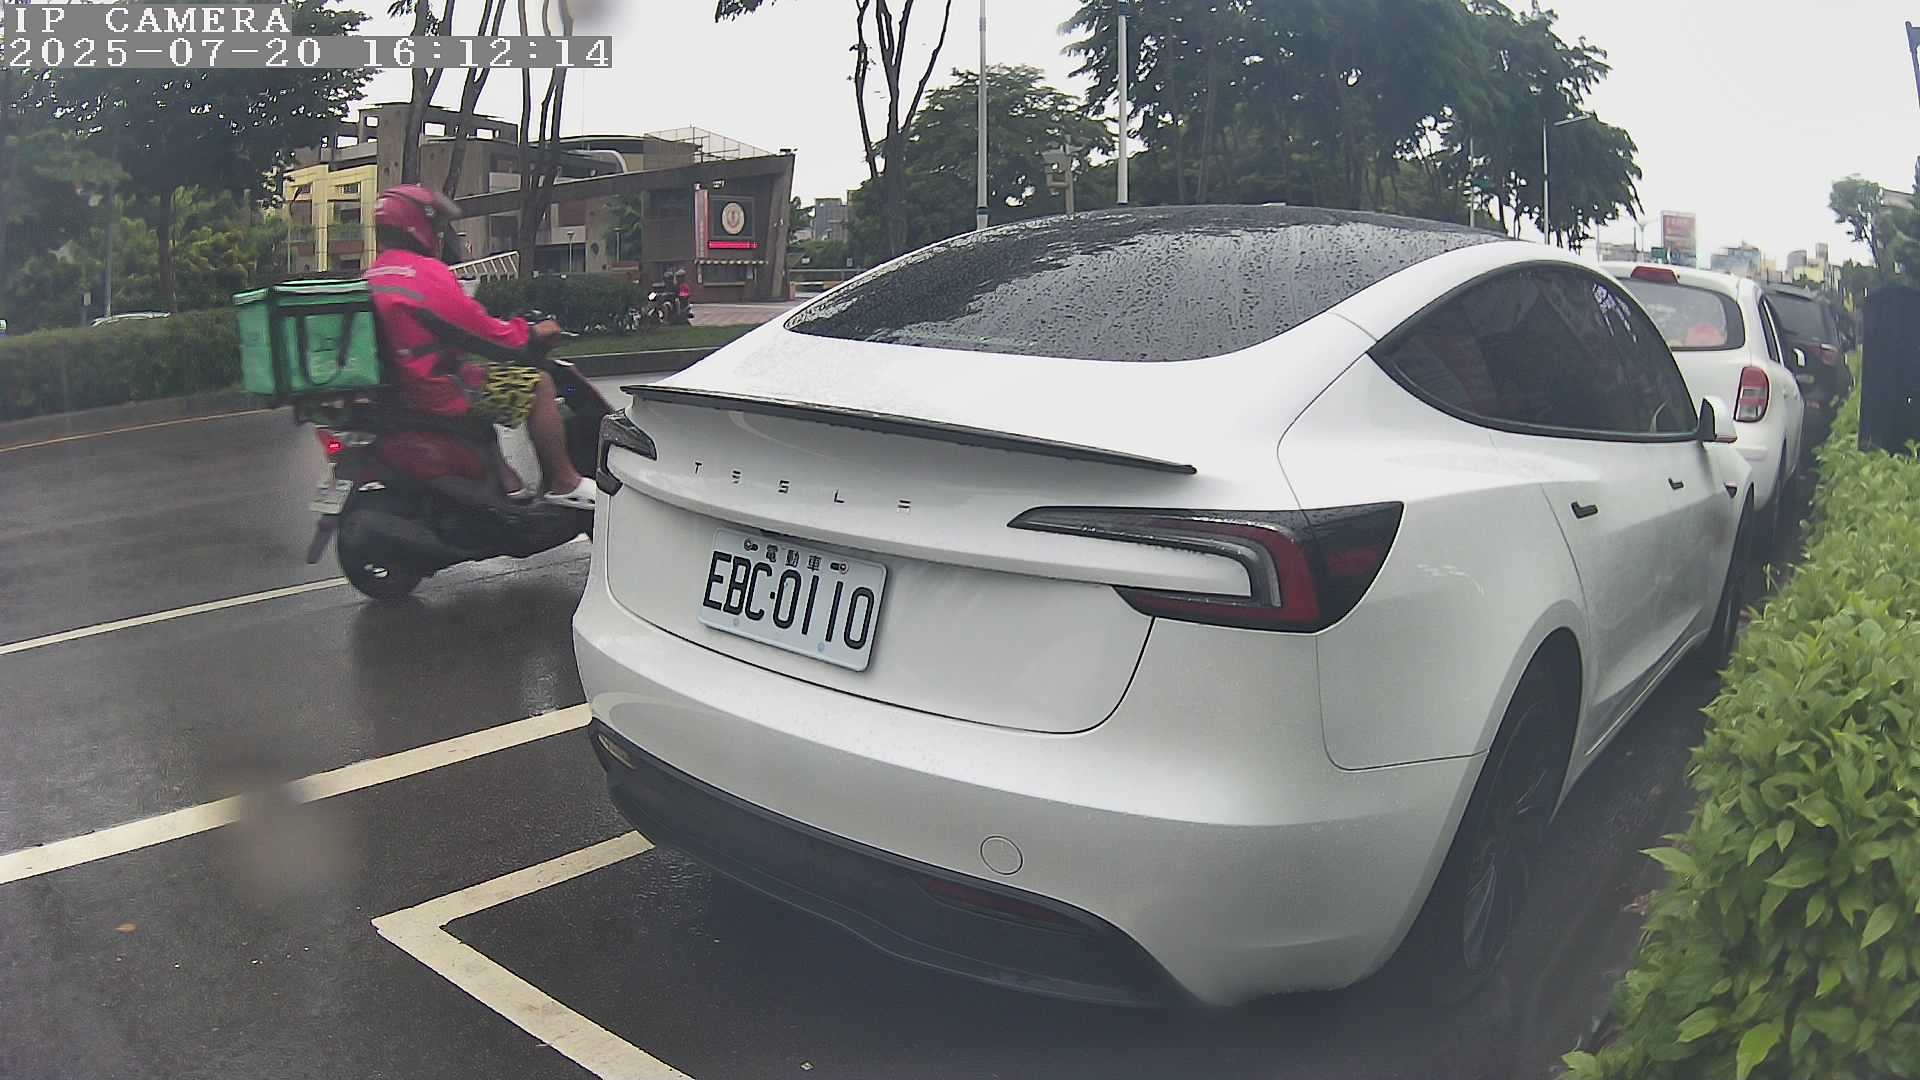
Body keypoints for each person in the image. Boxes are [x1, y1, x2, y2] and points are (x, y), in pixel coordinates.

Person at [364, 184, 595, 508]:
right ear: (416, 225)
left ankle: (507, 482)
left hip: (403, 390)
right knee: (539, 384)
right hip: (437, 390)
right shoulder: (423, 274)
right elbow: (481, 331)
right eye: (436, 226)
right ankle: (565, 481)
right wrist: (529, 336)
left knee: (478, 378)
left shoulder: (374, 274)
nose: (439, 235)